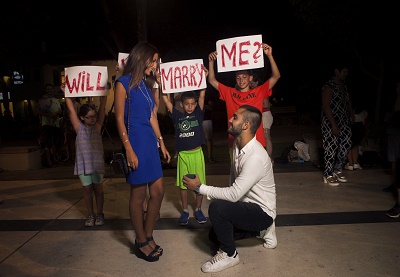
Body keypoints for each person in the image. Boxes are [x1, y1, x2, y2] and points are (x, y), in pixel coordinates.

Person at [182, 105, 277, 273]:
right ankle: (261, 231)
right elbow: (233, 182)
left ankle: (230, 255)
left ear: (246, 125)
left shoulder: (255, 156)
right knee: (214, 236)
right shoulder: (237, 146)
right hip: (246, 206)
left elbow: (233, 194)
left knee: (217, 208)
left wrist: (199, 187)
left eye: (235, 117)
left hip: (262, 212)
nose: (230, 119)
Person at [114, 41, 171, 262]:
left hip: (149, 142)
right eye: (153, 60)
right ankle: (140, 240)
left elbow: (152, 116)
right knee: (138, 196)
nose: (155, 65)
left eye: (156, 61)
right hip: (135, 142)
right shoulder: (123, 83)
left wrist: (162, 143)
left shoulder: (146, 86)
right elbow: (119, 119)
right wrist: (128, 148)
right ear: (141, 58)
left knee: (158, 192)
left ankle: (148, 234)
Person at [207, 43, 280, 158]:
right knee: (237, 174)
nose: (241, 80)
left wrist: (270, 56)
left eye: (244, 77)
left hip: (257, 141)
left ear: (250, 78)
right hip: (236, 141)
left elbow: (276, 76)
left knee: (256, 174)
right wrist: (211, 62)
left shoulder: (259, 91)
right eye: (238, 77)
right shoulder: (229, 92)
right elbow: (211, 80)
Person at [162, 72, 208, 225]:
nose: (190, 106)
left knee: (198, 185)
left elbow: (202, 96)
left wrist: (203, 78)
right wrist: (164, 82)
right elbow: (165, 100)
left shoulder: (198, 114)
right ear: (181, 104)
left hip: (197, 154)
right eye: (186, 104)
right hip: (183, 156)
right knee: (183, 185)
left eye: (192, 103)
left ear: (195, 104)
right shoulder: (177, 116)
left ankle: (198, 209)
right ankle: (185, 210)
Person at [321, 63, 353, 186]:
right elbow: (326, 106)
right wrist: (333, 125)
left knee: (346, 144)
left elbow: (348, 100)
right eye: (343, 72)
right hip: (330, 121)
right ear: (336, 71)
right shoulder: (329, 86)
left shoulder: (343, 85)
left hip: (344, 120)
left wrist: (351, 114)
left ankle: (337, 169)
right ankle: (328, 173)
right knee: (331, 146)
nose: (346, 74)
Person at [37, 84, 63, 167]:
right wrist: (50, 115)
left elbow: (60, 110)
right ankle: (48, 161)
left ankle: (54, 158)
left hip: (55, 124)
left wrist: (55, 114)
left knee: (55, 143)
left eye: (51, 89)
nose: (50, 91)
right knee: (47, 143)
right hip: (47, 124)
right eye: (48, 89)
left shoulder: (56, 100)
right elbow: (40, 112)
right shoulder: (42, 100)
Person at [344, 102, 368, 171]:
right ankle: (355, 163)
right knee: (355, 145)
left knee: (349, 144)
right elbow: (366, 124)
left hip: (350, 126)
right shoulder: (364, 111)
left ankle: (351, 164)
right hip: (359, 127)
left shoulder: (347, 110)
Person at [202, 87, 217, 163]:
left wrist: (203, 106)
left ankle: (210, 156)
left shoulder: (208, 96)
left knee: (208, 138)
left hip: (206, 119)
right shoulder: (194, 96)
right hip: (197, 120)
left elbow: (211, 107)